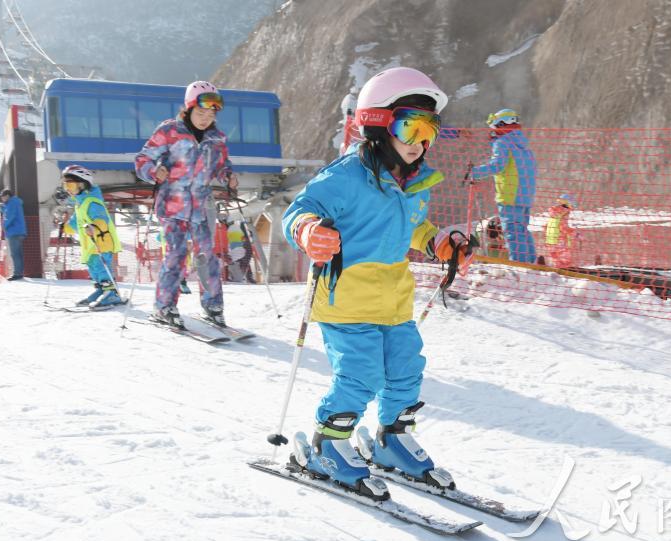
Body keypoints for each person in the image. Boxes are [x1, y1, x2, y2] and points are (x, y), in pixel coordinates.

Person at [282, 67, 477, 499]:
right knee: (361, 374)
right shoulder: (346, 176)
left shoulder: (414, 182)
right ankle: (328, 445)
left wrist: (438, 243)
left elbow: (413, 226)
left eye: (430, 130)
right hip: (345, 298)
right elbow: (298, 210)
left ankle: (392, 440)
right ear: (376, 123)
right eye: (410, 126)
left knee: (406, 370)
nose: (420, 141)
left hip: (394, 300)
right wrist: (309, 231)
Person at [134, 81, 238, 328]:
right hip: (172, 207)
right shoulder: (170, 131)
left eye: (211, 114)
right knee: (176, 255)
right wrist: (153, 171)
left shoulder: (217, 139)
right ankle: (164, 306)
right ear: (189, 108)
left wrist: (228, 177)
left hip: (201, 207)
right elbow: (142, 159)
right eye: (201, 112)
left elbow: (222, 166)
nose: (205, 119)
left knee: (207, 257)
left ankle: (213, 306)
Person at [468, 108, 538, 263]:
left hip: (509, 195)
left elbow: (497, 166)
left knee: (513, 231)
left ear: (501, 125)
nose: (492, 132)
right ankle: (532, 262)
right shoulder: (524, 146)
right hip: (525, 196)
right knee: (522, 230)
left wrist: (474, 172)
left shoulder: (503, 143)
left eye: (494, 128)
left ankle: (519, 264)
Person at [60, 165, 123, 307]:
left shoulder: (93, 202)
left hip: (102, 243)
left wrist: (94, 226)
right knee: (94, 270)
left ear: (83, 185)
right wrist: (65, 227)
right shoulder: (80, 205)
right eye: (65, 186)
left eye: (71, 185)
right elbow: (75, 224)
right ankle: (102, 290)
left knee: (101, 268)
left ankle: (112, 294)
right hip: (90, 245)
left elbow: (102, 220)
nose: (68, 189)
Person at [544, 194, 579, 268]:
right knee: (565, 263)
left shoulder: (554, 214)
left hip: (550, 241)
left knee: (556, 261)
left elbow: (545, 226)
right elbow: (563, 227)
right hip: (560, 242)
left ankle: (557, 273)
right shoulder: (564, 213)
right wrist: (575, 233)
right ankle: (565, 274)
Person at [0, 188, 27, 280]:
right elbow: (8, 211)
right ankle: (19, 272)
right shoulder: (14, 203)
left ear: (7, 196)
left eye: (2, 197)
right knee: (18, 253)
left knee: (15, 254)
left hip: (14, 231)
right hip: (18, 231)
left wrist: (4, 226)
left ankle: (17, 273)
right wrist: (2, 207)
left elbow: (10, 216)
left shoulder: (12, 203)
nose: (1, 199)